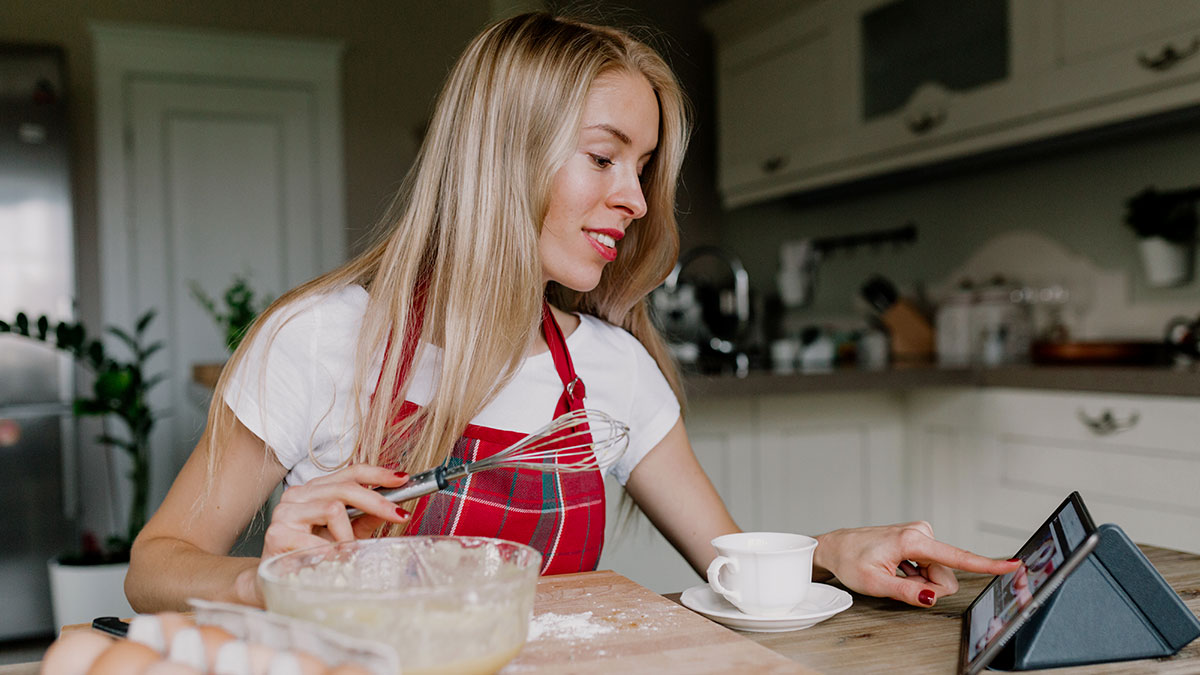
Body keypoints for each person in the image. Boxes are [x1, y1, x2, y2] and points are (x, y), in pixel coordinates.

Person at [126, 11, 1018, 613]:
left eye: (643, 168)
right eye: (604, 157)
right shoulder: (320, 339)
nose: (633, 199)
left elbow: (731, 560)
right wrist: (275, 577)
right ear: (500, 157)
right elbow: (154, 565)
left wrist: (833, 552)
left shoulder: (611, 370)